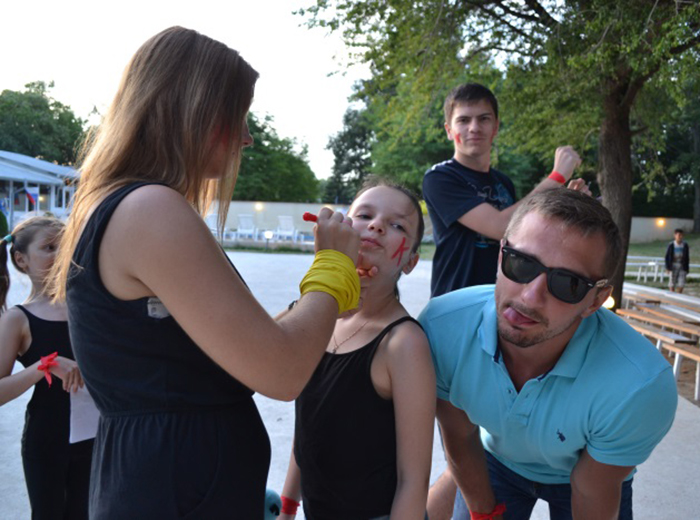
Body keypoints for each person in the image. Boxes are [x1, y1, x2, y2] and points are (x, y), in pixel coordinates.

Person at [49, 27, 361, 518]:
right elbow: (281, 371)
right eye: (238, 116)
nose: (246, 136)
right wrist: (334, 268)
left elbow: (232, 346)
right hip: (177, 487)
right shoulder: (150, 208)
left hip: (167, 479)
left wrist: (316, 306)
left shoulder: (121, 204)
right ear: (193, 110)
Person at [419, 189, 677, 520]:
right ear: (500, 257)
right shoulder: (443, 329)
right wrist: (483, 512)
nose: (530, 296)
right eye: (520, 263)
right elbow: (458, 432)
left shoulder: (639, 385)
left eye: (567, 283)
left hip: (589, 476)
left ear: (595, 301)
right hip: (495, 459)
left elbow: (590, 488)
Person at [279, 179, 435, 520]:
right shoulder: (316, 316)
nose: (376, 225)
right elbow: (306, 430)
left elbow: (414, 479)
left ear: (410, 260)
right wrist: (288, 508)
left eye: (396, 225)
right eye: (364, 215)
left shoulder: (403, 343)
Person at [423, 83, 584, 298]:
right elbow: (499, 226)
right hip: (456, 301)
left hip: (501, 299)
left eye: (484, 119)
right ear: (449, 130)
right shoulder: (440, 178)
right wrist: (557, 178)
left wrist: (569, 201)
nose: (474, 127)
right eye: (463, 120)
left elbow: (521, 235)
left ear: (495, 127)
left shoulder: (504, 183)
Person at [0, 216, 93, 519]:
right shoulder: (17, 319)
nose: (60, 254)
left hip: (100, 437)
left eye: (65, 246)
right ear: (21, 259)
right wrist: (43, 366)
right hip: (48, 441)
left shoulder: (93, 308)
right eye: (49, 247)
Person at [665, 228, 690, 293]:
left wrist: (687, 268)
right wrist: (667, 267)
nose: (680, 237)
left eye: (681, 235)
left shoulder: (685, 245)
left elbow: (687, 257)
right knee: (672, 282)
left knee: (681, 283)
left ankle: (679, 295)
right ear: (675, 235)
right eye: (678, 235)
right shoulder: (671, 245)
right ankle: (672, 295)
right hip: (673, 265)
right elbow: (667, 257)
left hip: (682, 265)